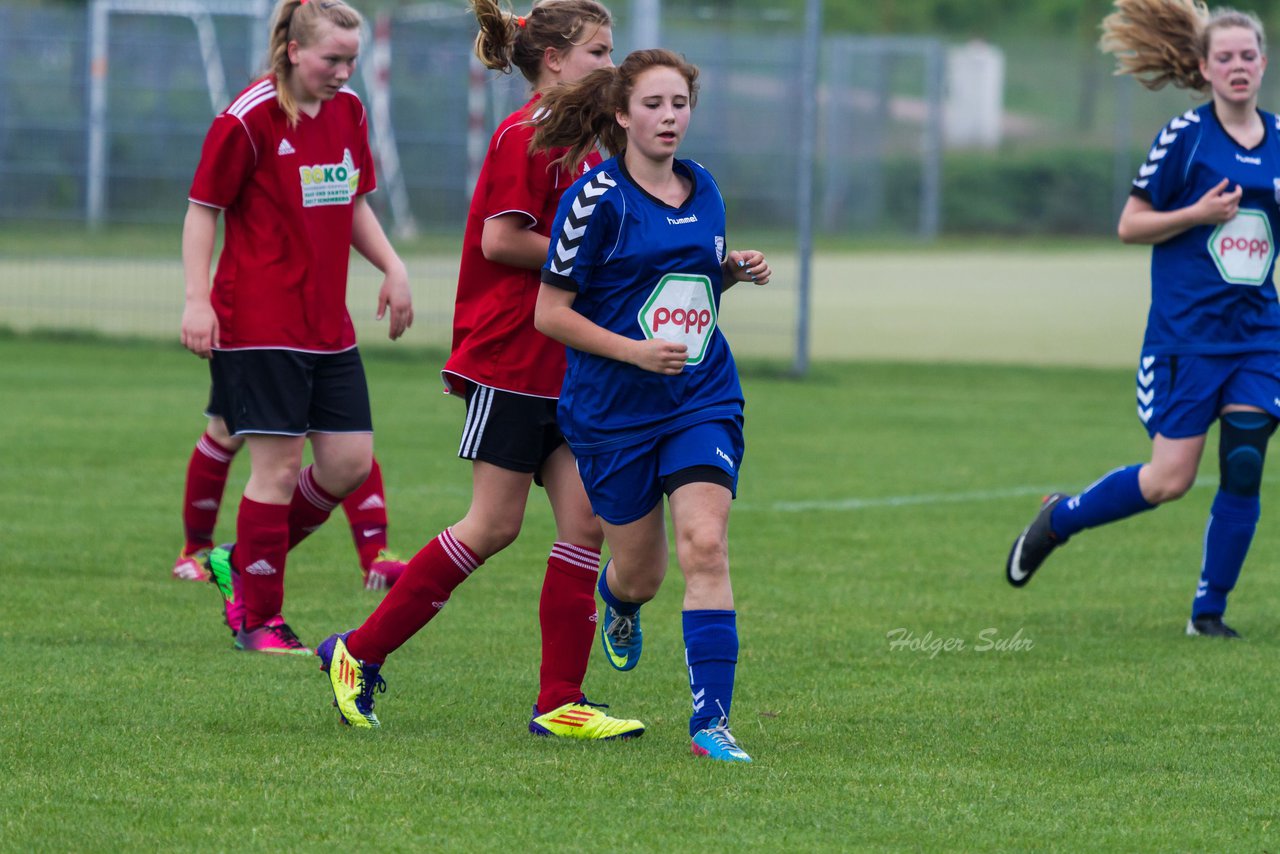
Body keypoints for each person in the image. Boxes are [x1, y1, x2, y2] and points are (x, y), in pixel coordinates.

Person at [315, 0, 645, 740]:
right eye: (598, 52)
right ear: (554, 60)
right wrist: (595, 261)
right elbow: (501, 241)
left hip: (568, 364)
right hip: (512, 358)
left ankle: (560, 700)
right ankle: (356, 654)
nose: (610, 65)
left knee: (584, 525)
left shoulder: (588, 145)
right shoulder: (527, 134)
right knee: (493, 525)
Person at [1006, 0, 1280, 639]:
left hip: (1259, 336)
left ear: (1262, 63)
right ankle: (1058, 520)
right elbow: (1131, 225)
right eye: (1225, 58)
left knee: (1244, 463)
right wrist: (1196, 214)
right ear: (1205, 68)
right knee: (1168, 481)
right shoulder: (1186, 137)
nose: (1238, 67)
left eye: (1248, 56)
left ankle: (1208, 613)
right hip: (1187, 338)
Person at [530, 48, 771, 761]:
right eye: (654, 105)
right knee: (642, 572)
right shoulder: (595, 200)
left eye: (680, 105)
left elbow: (685, 294)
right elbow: (550, 312)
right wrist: (634, 352)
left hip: (700, 395)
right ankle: (623, 603)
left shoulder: (706, 190)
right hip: (612, 412)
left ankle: (711, 726)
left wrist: (728, 273)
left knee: (706, 543)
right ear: (621, 114)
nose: (670, 118)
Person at [181, 0, 413, 654]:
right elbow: (202, 211)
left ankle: (237, 559)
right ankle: (260, 620)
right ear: (292, 51)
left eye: (351, 61)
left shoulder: (348, 112)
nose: (343, 73)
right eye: (331, 60)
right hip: (257, 321)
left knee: (347, 463)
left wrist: (393, 267)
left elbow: (353, 200)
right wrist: (197, 300)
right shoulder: (247, 117)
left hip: (326, 324)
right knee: (277, 471)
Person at [172, 426, 407, 592]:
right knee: (227, 428)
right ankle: (199, 551)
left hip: (324, 354)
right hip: (254, 355)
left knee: (348, 448)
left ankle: (374, 558)